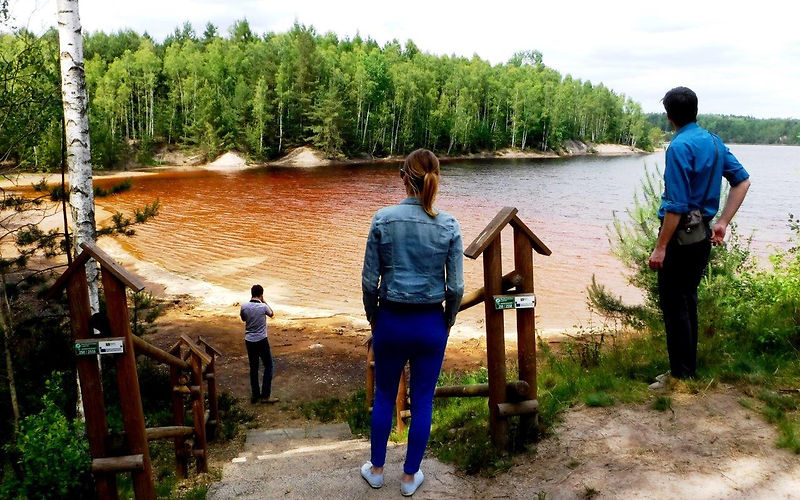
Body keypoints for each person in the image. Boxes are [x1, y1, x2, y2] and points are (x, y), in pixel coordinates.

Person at [360, 148, 464, 496]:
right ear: (436, 178)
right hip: (430, 324)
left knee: (385, 394)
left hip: (390, 320)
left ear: (404, 177)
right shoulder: (448, 224)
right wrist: (447, 320)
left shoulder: (382, 219)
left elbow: (368, 280)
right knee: (422, 400)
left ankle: (375, 471)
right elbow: (456, 286)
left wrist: (373, 315)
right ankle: (409, 478)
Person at [647, 86, 751, 390]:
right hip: (703, 234)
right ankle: (685, 372)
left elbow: (676, 206)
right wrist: (723, 222)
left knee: (673, 304)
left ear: (669, 116)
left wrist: (660, 248)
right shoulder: (714, 143)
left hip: (680, 238)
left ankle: (679, 376)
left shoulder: (679, 147)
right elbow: (742, 181)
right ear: (695, 110)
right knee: (687, 301)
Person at [240, 284, 279, 404]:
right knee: (268, 365)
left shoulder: (244, 306)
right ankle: (265, 395)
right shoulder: (263, 307)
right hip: (261, 339)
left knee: (254, 368)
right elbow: (272, 314)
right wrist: (264, 301)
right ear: (261, 294)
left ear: (251, 293)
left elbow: (243, 319)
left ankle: (255, 395)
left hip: (249, 340)